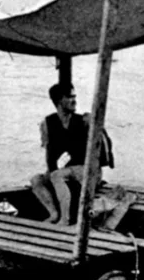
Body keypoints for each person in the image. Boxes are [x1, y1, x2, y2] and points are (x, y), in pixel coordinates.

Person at [30, 83, 113, 225]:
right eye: (69, 97)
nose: (74, 100)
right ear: (58, 101)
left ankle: (65, 219)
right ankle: (54, 213)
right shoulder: (48, 123)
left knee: (57, 175)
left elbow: (104, 150)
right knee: (36, 180)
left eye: (74, 97)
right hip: (70, 170)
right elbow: (50, 155)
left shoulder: (84, 120)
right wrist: (51, 172)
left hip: (89, 170)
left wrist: (96, 126)